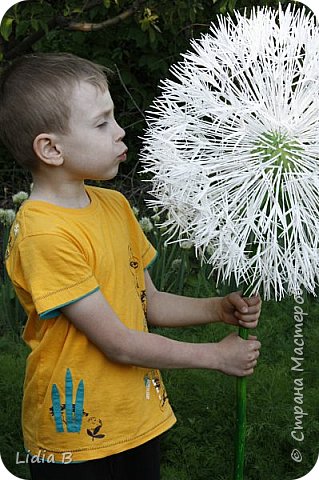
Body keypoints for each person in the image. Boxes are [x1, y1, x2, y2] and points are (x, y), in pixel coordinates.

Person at [0, 53, 261, 480]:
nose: (121, 132)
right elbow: (118, 342)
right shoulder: (43, 233)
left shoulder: (114, 205)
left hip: (137, 418)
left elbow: (148, 303)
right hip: (75, 440)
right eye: (102, 123)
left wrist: (217, 308)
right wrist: (215, 356)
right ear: (50, 148)